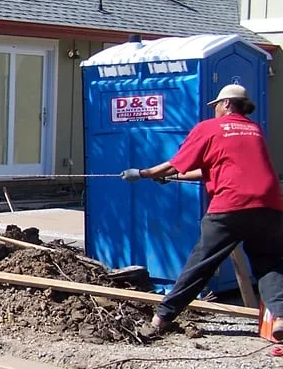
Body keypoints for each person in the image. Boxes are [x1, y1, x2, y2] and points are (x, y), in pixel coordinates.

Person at [120, 84, 283, 339]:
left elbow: (174, 163)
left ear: (227, 103)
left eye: (217, 105)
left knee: (201, 264)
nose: (215, 109)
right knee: (270, 263)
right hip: (269, 204)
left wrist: (143, 173)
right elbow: (214, 168)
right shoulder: (254, 129)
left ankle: (160, 319)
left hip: (230, 205)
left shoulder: (210, 128)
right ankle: (280, 318)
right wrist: (176, 177)